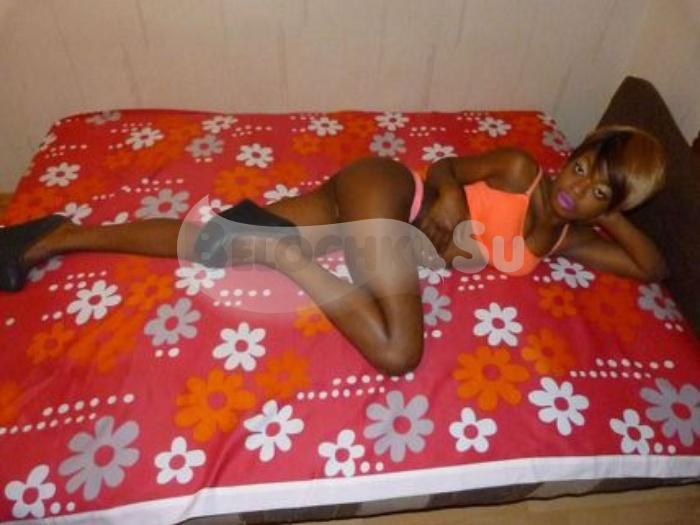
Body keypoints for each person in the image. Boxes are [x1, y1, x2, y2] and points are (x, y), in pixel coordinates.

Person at [0, 125, 667, 374]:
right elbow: (445, 169)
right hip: (390, 193)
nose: (574, 188)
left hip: (370, 221)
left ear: (612, 208)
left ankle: (55, 236)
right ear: (573, 153)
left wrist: (617, 207)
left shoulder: (567, 240)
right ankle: (287, 258)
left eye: (597, 191)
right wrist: (452, 202)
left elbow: (651, 267)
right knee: (399, 351)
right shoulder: (522, 170)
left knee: (213, 243)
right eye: (582, 166)